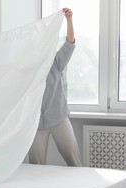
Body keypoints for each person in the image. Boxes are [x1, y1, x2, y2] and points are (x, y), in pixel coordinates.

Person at [28, 8, 82, 166]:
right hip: (37, 123)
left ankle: (81, 187)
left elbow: (70, 44)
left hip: (59, 118)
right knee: (36, 165)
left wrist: (69, 20)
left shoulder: (55, 62)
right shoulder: (26, 70)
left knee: (74, 160)